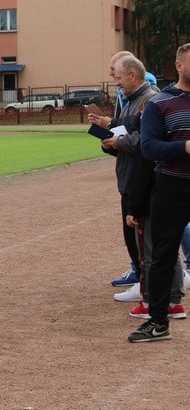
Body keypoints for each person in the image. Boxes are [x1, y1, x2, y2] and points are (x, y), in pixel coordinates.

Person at [128, 43, 190, 342]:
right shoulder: (159, 103)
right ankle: (158, 322)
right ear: (179, 65)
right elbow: (149, 147)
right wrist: (185, 147)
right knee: (162, 256)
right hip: (172, 187)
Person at [89, 54, 155, 299]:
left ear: (133, 75)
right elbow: (128, 133)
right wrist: (109, 142)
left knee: (144, 236)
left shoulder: (149, 100)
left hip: (142, 179)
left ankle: (148, 286)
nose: (116, 82)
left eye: (118, 77)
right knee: (134, 235)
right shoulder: (129, 101)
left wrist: (120, 141)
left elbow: (146, 140)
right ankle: (144, 280)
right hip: (128, 176)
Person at [124, 111, 186, 321]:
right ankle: (175, 301)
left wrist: (133, 206)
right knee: (168, 250)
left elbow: (141, 176)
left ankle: (150, 299)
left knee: (150, 255)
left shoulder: (149, 142)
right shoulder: (170, 138)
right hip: (166, 198)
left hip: (152, 204)